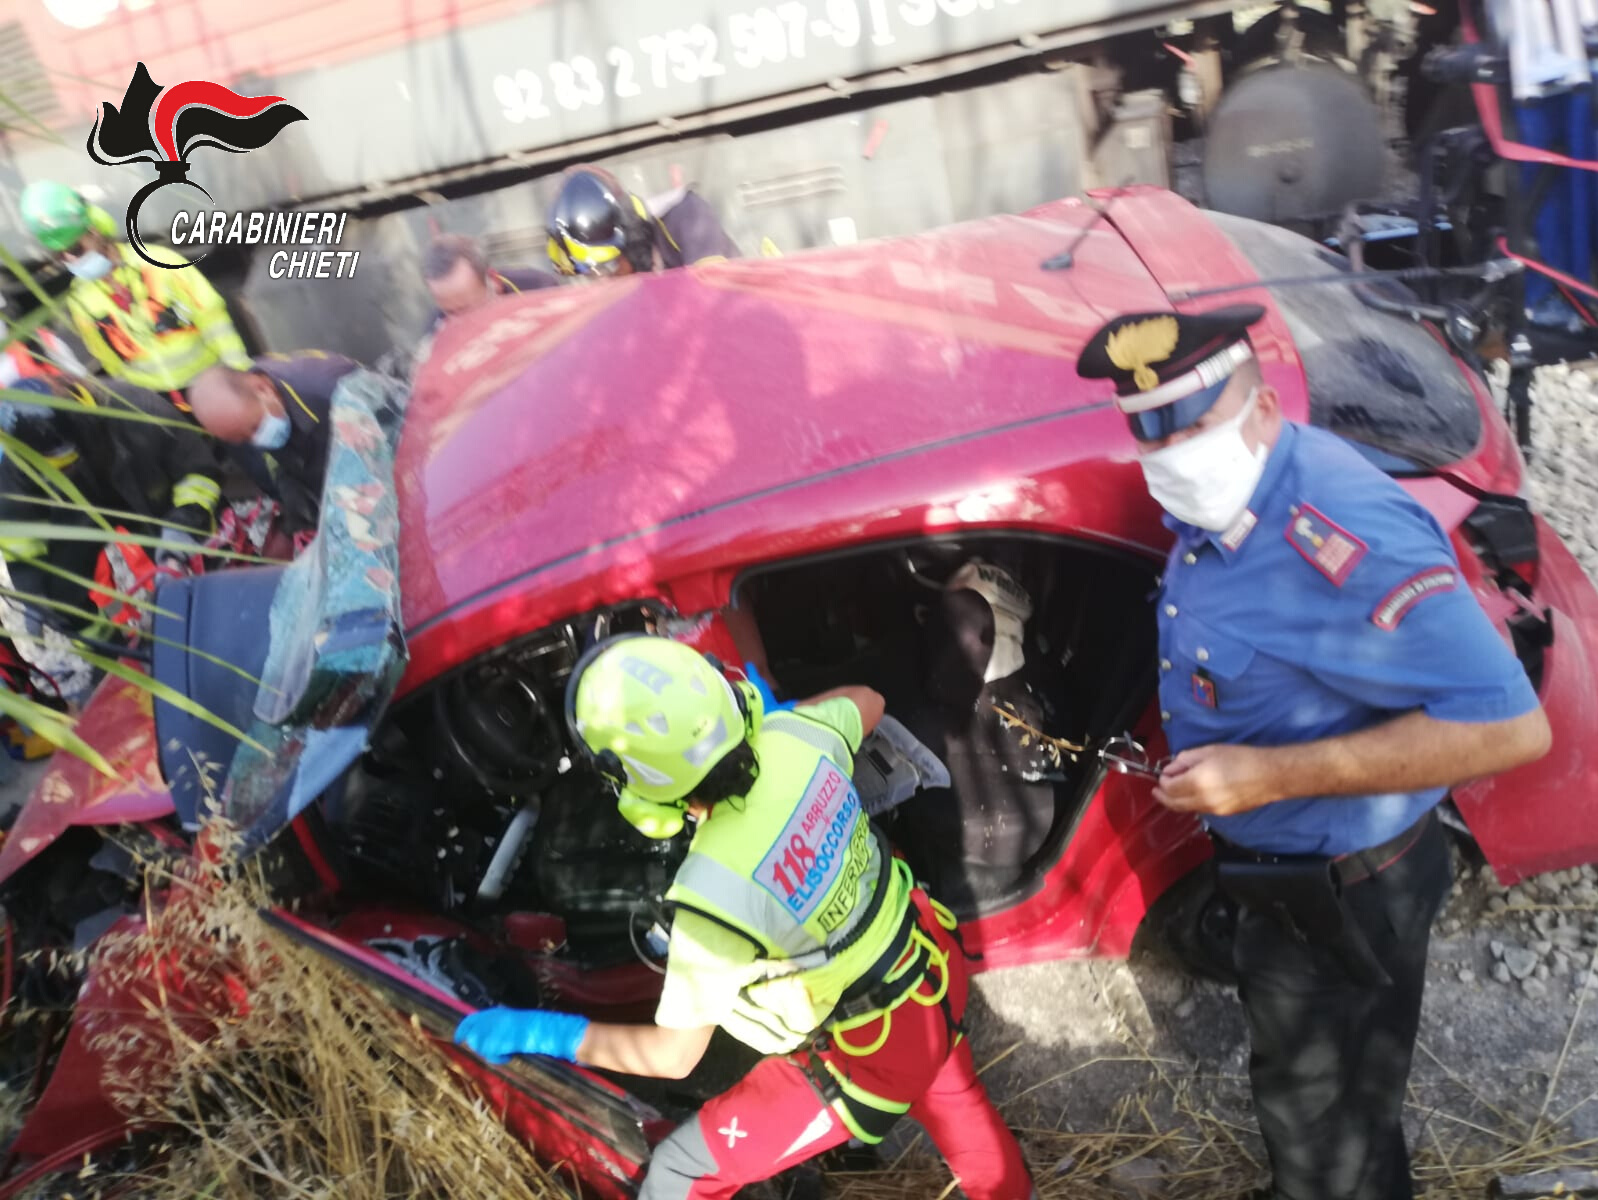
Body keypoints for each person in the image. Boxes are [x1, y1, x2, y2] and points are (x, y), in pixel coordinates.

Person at [1077, 305, 1553, 1200]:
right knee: (1327, 1108)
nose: (1171, 455)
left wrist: (1268, 775)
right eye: (1150, 435)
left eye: (1193, 426)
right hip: (1287, 873)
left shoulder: (1341, 534)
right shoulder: (1228, 488)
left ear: (1262, 411)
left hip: (1347, 886)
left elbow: (1511, 727)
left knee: (1322, 1117)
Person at [454, 635, 1033, 1200]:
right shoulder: (797, 734)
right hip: (928, 965)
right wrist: (783, 715)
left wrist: (543, 1033)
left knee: (679, 1176)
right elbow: (869, 701)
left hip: (863, 1052)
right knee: (951, 1089)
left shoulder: (712, 896)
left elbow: (673, 1057)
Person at [0, 376, 222, 700]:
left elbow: (199, 469)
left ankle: (213, 614)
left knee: (188, 560)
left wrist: (184, 523)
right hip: (79, 510)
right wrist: (35, 598)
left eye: (71, 461)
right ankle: (118, 666)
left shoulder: (135, 408)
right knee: (61, 597)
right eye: (59, 468)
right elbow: (22, 536)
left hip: (148, 492)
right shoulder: (20, 463)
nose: (68, 469)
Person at [19, 181, 251, 406]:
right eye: (59, 256)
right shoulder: (80, 300)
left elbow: (214, 321)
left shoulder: (161, 263)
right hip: (156, 403)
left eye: (75, 249)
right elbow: (109, 360)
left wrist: (239, 377)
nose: (70, 260)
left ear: (95, 231)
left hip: (210, 385)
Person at [186, 351, 362, 539]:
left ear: (263, 389)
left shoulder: (330, 387)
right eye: (244, 439)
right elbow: (267, 477)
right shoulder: (237, 426)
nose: (257, 441)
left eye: (255, 428)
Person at [545, 165, 739, 278]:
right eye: (590, 274)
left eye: (607, 267)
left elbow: (715, 297)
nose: (604, 280)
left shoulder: (687, 217)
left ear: (632, 237)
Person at [422, 233, 561, 325]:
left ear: (494, 281)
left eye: (466, 310)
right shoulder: (435, 332)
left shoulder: (540, 290)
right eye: (450, 312)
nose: (459, 322)